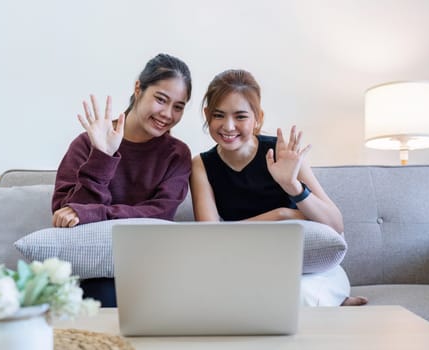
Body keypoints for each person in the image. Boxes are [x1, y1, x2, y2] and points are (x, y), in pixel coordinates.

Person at [190, 69, 367, 306]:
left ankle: (330, 297)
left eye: (240, 116)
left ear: (258, 118)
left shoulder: (285, 155)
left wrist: (292, 186)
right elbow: (210, 237)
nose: (228, 126)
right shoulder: (201, 164)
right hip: (245, 264)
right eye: (218, 115)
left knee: (299, 297)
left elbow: (336, 225)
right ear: (207, 115)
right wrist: (280, 215)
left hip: (304, 267)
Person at [52, 53, 192, 306]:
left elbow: (159, 215)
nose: (168, 114)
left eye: (179, 106)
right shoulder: (87, 143)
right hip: (92, 267)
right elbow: (66, 218)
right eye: (161, 100)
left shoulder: (177, 154)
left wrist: (94, 213)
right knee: (104, 293)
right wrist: (103, 156)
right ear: (138, 88)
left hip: (151, 262)